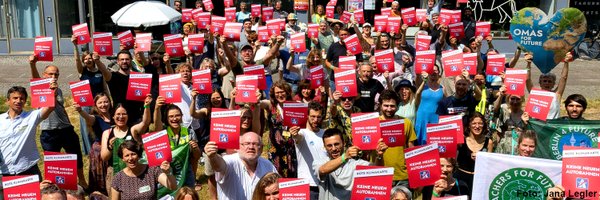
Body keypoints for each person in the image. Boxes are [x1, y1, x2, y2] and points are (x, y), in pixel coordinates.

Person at [29, 56, 88, 189]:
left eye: (56, 74)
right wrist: (32, 65)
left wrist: (68, 121)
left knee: (76, 155)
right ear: (44, 75)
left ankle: (82, 181)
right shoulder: (41, 88)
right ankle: (53, 186)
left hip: (66, 128)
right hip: (49, 131)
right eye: (50, 74)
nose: (54, 76)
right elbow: (36, 80)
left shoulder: (58, 89)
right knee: (52, 161)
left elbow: (60, 108)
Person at [0, 86, 55, 197]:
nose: (18, 101)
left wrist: (52, 92)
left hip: (27, 169)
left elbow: (50, 107)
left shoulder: (32, 116)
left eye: (22, 98)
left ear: (25, 101)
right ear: (8, 101)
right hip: (4, 172)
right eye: (15, 98)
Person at [314, 128, 388, 199]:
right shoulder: (320, 161)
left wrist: (380, 155)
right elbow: (323, 170)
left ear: (344, 143)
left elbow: (377, 171)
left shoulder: (354, 163)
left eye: (336, 144)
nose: (333, 149)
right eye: (329, 145)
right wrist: (345, 157)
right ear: (324, 147)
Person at [100, 95, 152, 192]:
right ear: (113, 116)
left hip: (134, 170)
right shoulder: (107, 133)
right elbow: (104, 157)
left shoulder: (133, 130)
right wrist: (110, 147)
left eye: (124, 114)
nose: (121, 117)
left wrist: (147, 107)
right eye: (118, 114)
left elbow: (145, 123)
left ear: (128, 116)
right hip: (115, 172)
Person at [204, 132, 277, 200]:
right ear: (237, 147)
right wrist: (213, 157)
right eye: (246, 143)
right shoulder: (229, 161)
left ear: (261, 149)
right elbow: (219, 166)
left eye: (255, 144)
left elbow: (278, 187)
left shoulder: (268, 165)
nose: (251, 147)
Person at [153, 101, 202, 188]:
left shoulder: (189, 132)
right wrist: (157, 108)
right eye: (171, 116)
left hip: (186, 172)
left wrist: (195, 148)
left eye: (177, 115)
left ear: (182, 116)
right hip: (167, 172)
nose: (174, 119)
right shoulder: (163, 133)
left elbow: (197, 156)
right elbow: (157, 125)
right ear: (167, 119)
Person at [74, 93, 113, 195]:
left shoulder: (114, 115)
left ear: (110, 102)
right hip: (100, 152)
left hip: (114, 149)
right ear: (95, 105)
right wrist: (80, 110)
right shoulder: (96, 118)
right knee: (101, 178)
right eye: (100, 103)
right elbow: (87, 117)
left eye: (106, 101)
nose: (103, 105)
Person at [111, 140, 177, 199]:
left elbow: (173, 187)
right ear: (122, 158)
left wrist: (168, 173)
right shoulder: (118, 178)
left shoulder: (152, 170)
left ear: (139, 155)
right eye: (127, 155)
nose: (130, 158)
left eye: (133, 154)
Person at [378, 90, 417, 187]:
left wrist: (414, 174)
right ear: (380, 105)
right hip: (381, 173)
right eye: (386, 105)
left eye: (392, 106)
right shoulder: (373, 124)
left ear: (397, 106)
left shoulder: (406, 122)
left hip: (403, 175)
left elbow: (411, 149)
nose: (389, 109)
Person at [259, 81, 298, 178]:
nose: (280, 95)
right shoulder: (270, 105)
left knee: (291, 174)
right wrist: (256, 97)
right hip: (275, 149)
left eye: (282, 92)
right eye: (277, 93)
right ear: (273, 94)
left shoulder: (295, 105)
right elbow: (259, 103)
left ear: (288, 92)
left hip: (290, 148)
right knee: (275, 175)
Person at [290, 102, 328, 200]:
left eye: (318, 117)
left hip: (325, 184)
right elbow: (298, 137)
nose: (315, 120)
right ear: (307, 116)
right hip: (309, 184)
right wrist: (295, 135)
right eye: (312, 116)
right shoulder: (302, 132)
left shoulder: (325, 134)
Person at [98, 50, 145, 125]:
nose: (124, 61)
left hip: (137, 117)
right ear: (118, 61)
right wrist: (97, 61)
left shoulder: (138, 77)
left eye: (127, 59)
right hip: (120, 117)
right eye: (122, 59)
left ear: (131, 60)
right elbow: (103, 69)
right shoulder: (112, 76)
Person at [525, 52, 572, 119]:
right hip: (538, 126)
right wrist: (528, 63)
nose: (547, 83)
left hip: (552, 127)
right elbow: (527, 79)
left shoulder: (556, 94)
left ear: (553, 84)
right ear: (540, 82)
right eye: (544, 81)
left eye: (550, 81)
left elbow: (563, 78)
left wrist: (566, 62)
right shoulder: (535, 93)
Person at [455, 112, 494, 193]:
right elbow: (453, 159)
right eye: (474, 123)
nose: (477, 126)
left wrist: (481, 158)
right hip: (461, 178)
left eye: (480, 123)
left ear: (484, 125)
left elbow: (490, 164)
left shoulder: (489, 142)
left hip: (479, 180)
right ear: (469, 125)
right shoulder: (461, 141)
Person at [414, 66, 446, 145]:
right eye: (432, 70)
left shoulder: (443, 88)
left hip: (435, 119)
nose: (434, 72)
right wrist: (423, 79)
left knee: (433, 142)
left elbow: (446, 103)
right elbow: (417, 80)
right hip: (422, 118)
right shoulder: (422, 85)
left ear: (439, 73)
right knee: (420, 142)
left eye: (436, 70)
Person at [492, 85, 526, 155]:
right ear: (508, 99)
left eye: (518, 99)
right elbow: (494, 109)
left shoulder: (525, 113)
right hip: (504, 146)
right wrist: (501, 95)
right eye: (512, 98)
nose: (515, 101)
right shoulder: (504, 108)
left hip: (520, 147)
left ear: (522, 100)